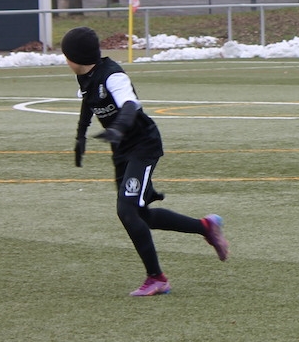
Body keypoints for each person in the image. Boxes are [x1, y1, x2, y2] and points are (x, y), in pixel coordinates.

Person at [64, 26, 228, 297]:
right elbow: (87, 101)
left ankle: (157, 278)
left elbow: (130, 104)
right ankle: (206, 226)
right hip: (122, 150)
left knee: (127, 210)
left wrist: (118, 128)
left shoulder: (112, 75)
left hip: (143, 145)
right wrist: (80, 136)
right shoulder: (86, 75)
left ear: (75, 57)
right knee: (140, 216)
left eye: (66, 54)